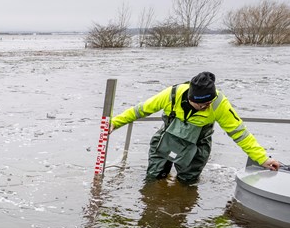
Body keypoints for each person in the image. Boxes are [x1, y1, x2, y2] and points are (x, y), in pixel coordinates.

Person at [109, 72, 280, 184]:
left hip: (196, 148)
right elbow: (140, 110)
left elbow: (240, 134)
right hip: (166, 141)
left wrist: (263, 159)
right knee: (154, 179)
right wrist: (115, 122)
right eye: (200, 104)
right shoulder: (172, 94)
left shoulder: (220, 104)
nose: (205, 107)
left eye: (208, 103)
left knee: (187, 185)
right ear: (190, 97)